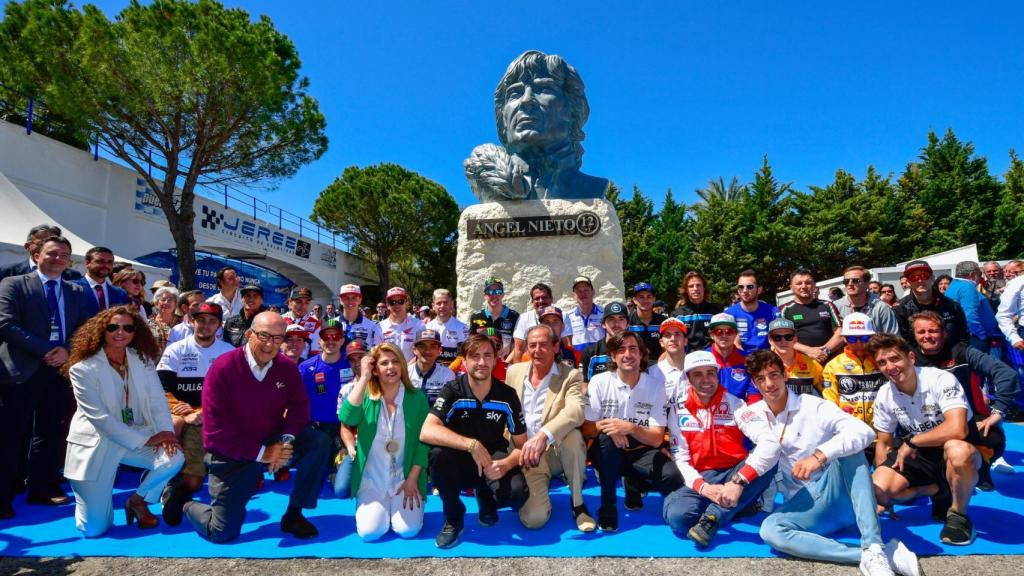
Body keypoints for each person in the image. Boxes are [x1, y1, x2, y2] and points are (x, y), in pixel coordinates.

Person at [745, 350, 919, 576]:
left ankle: (873, 544)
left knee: (850, 448)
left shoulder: (814, 406)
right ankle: (877, 555)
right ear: (753, 383)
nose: (769, 384)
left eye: (774, 375)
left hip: (838, 494)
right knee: (770, 531)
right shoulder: (750, 414)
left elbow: (863, 431)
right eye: (760, 378)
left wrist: (819, 456)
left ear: (786, 374)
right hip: (805, 507)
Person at [178, 312, 330, 542]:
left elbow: (300, 407)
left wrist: (285, 443)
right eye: (264, 335)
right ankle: (184, 502)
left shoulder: (286, 368)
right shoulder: (223, 369)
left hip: (270, 436)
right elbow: (215, 435)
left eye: (278, 338)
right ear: (249, 334)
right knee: (222, 532)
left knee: (318, 441)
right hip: (233, 451)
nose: (270, 344)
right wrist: (265, 454)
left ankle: (294, 513)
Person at [61, 306, 184, 536]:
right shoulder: (82, 369)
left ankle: (137, 501)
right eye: (113, 327)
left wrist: (166, 433)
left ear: (135, 331)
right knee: (94, 529)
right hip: (97, 445)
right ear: (101, 330)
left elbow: (158, 401)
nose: (121, 332)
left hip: (136, 434)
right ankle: (90, 502)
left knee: (173, 457)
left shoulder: (143, 361)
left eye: (128, 327)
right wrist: (148, 439)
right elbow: (99, 419)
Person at [0, 236, 88, 519]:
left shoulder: (75, 290)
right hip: (22, 371)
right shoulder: (13, 284)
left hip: (59, 371)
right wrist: (46, 349)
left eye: (65, 254)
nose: (59, 258)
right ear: (36, 255)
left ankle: (42, 487)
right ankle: (4, 494)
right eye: (52, 253)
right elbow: (5, 323)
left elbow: (85, 328)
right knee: (11, 435)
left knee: (51, 433)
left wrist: (66, 351)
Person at [868, 334, 982, 546]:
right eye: (882, 362)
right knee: (878, 491)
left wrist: (911, 441)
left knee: (957, 450)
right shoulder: (884, 393)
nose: (890, 367)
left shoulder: (940, 379)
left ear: (911, 357)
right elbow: (883, 443)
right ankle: (938, 489)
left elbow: (957, 429)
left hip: (959, 448)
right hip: (921, 453)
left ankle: (959, 516)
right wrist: (882, 496)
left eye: (895, 359)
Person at [420, 333, 528, 549]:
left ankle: (486, 498)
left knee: (517, 494)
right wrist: (471, 444)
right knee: (437, 455)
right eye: (474, 356)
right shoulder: (452, 390)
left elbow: (522, 445)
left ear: (496, 359)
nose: (481, 362)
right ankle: (453, 516)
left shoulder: (507, 394)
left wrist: (506, 464)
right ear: (464, 361)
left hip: (492, 461)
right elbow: (427, 431)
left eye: (487, 355)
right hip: (459, 461)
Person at [662, 351, 778, 546]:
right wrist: (703, 487)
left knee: (770, 459)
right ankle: (736, 504)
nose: (706, 379)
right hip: (699, 475)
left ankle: (713, 517)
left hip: (734, 473)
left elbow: (770, 442)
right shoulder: (677, 409)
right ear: (688, 379)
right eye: (697, 374)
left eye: (710, 373)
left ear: (718, 375)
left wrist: (739, 482)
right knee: (679, 520)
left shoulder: (736, 404)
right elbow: (680, 458)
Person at [466, 50, 607, 202]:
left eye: (544, 89)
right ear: (503, 120)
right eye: (515, 93)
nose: (526, 100)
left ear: (573, 110)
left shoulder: (591, 189)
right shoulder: (489, 180)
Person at [584, 331, 682, 531]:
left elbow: (656, 438)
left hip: (642, 448)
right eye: (621, 350)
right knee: (605, 442)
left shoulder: (655, 385)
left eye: (633, 349)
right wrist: (609, 426)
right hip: (609, 448)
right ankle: (608, 506)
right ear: (612, 356)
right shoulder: (599, 381)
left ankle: (634, 483)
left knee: (672, 477)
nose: (627, 354)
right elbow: (587, 429)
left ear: (642, 355)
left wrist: (630, 427)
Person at [910, 311, 1016, 490]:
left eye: (933, 331)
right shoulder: (908, 358)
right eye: (921, 332)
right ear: (914, 335)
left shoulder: (962, 353)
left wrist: (998, 412)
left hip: (964, 421)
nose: (927, 336)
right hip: (926, 423)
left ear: (944, 333)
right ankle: (940, 475)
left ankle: (980, 468)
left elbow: (1006, 373)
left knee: (993, 437)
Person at [338, 342, 429, 541]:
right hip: (372, 480)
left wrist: (413, 478)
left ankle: (400, 506)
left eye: (396, 361)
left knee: (408, 531)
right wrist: (363, 379)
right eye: (384, 363)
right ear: (375, 369)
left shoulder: (417, 399)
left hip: (405, 479)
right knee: (370, 533)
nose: (391, 367)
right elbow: (347, 418)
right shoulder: (365, 397)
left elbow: (425, 443)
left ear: (402, 366)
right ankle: (376, 506)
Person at [507, 324, 594, 532]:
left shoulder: (570, 375)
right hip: (527, 455)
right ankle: (537, 487)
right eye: (532, 345)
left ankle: (578, 504)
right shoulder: (513, 372)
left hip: (555, 449)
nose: (537, 350)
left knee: (573, 436)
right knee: (533, 520)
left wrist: (544, 436)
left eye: (544, 345)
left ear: (556, 347)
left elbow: (576, 412)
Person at [156, 302, 234, 522]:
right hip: (182, 414)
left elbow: (234, 393)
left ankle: (180, 482)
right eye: (201, 320)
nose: (205, 326)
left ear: (219, 325)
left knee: (193, 483)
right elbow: (161, 388)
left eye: (211, 321)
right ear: (191, 321)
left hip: (210, 417)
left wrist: (202, 411)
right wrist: (182, 410)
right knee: (173, 423)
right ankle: (163, 476)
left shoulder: (228, 352)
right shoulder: (175, 349)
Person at [821, 314, 885, 458]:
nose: (858, 343)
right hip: (850, 435)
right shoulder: (833, 365)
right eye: (851, 338)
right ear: (843, 339)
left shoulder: (883, 361)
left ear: (873, 337)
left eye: (864, 338)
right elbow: (829, 404)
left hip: (881, 435)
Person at [893, 260, 969, 346]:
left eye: (924, 275)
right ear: (908, 282)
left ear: (932, 278)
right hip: (918, 358)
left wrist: (956, 356)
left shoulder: (952, 305)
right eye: (913, 277)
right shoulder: (900, 309)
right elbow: (904, 343)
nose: (920, 280)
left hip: (951, 356)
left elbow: (963, 338)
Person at [779, 269, 844, 364]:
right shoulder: (784, 310)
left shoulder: (827, 305)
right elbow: (781, 339)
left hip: (831, 361)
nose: (804, 286)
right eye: (799, 283)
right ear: (791, 287)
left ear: (814, 286)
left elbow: (840, 331)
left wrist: (825, 351)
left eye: (808, 283)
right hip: (800, 364)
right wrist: (808, 351)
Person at [944, 261, 1001, 353]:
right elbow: (970, 315)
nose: (981, 277)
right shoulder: (967, 287)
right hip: (974, 338)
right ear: (972, 274)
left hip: (965, 336)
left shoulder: (954, 285)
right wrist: (981, 336)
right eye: (980, 273)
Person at [511, 283, 572, 361]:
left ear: (551, 299)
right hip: (531, 360)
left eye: (544, 297)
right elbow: (518, 348)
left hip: (558, 359)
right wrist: (518, 370)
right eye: (537, 298)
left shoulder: (562, 315)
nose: (541, 301)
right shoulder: (524, 318)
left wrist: (569, 366)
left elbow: (568, 344)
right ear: (532, 301)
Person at [707, 313, 760, 402]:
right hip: (708, 411)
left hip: (740, 412)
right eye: (718, 332)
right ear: (711, 335)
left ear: (736, 334)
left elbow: (754, 393)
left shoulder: (747, 359)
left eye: (729, 331)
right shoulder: (702, 359)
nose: (724, 335)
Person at [0, 224, 82, 281]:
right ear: (27, 246)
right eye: (41, 243)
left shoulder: (73, 276)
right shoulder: (7, 272)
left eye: (52, 244)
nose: (47, 247)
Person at [833, 266, 899, 336]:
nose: (850, 284)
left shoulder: (881, 307)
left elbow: (893, 338)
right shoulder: (835, 306)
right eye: (846, 281)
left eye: (855, 280)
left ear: (867, 284)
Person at [725, 269, 780, 352]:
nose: (744, 290)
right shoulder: (729, 314)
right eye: (741, 287)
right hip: (740, 359)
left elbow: (781, 339)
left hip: (766, 359)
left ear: (759, 290)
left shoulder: (772, 312)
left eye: (749, 287)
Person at [767, 318, 824, 397]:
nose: (783, 341)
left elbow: (826, 391)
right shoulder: (764, 365)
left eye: (788, 337)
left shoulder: (812, 364)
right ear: (770, 340)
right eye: (777, 337)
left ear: (795, 339)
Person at [670, 271, 723, 353]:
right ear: (686, 290)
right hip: (687, 358)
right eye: (691, 286)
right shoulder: (677, 315)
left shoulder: (716, 311)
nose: (695, 289)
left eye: (698, 285)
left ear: (704, 288)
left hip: (712, 356)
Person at [468, 277, 520, 360]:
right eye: (490, 291)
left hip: (506, 363)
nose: (494, 295)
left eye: (498, 291)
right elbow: (471, 344)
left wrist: (506, 362)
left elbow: (518, 345)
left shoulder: (514, 316)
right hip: (483, 364)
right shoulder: (476, 317)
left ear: (503, 295)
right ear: (485, 295)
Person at [580, 301, 629, 383]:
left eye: (621, 319)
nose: (616, 324)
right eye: (611, 319)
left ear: (627, 324)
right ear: (603, 324)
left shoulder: (635, 350)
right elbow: (584, 384)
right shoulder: (590, 353)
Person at [407, 328, 456, 406]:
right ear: (414, 350)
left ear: (440, 350)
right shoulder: (405, 373)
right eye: (422, 346)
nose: (428, 351)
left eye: (433, 346)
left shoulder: (448, 375)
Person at [77, 247, 130, 318]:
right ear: (87, 263)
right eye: (100, 261)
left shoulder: (120, 293)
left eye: (110, 262)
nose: (106, 265)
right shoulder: (72, 288)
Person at [424, 288, 469, 366]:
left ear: (452, 304)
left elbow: (462, 355)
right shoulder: (427, 328)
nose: (442, 306)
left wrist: (449, 371)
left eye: (445, 302)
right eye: (438, 303)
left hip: (454, 373)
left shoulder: (462, 328)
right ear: (433, 306)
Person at [379, 286, 425, 362]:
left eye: (401, 301)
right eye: (392, 302)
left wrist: (406, 369)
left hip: (411, 371)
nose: (397, 305)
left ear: (407, 303)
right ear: (387, 305)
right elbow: (378, 355)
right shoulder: (379, 327)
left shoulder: (419, 325)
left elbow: (422, 352)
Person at [627, 282, 667, 363]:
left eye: (649, 296)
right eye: (641, 297)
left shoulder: (663, 321)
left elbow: (667, 348)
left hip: (659, 365)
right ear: (634, 300)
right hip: (634, 366)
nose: (645, 300)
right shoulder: (627, 322)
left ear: (654, 299)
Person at [564, 275, 605, 353]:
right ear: (574, 295)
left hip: (600, 358)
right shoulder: (568, 317)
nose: (583, 293)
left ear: (593, 292)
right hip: (578, 360)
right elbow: (567, 342)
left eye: (586, 290)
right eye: (579, 291)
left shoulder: (604, 313)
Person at [336, 284, 382, 348]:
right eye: (346, 298)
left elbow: (375, 352)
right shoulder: (332, 323)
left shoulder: (372, 326)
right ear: (340, 300)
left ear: (360, 300)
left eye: (354, 298)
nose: (350, 301)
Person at [656, 317, 689, 404]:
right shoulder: (653, 373)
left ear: (685, 341)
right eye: (667, 335)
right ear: (661, 342)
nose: (673, 339)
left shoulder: (697, 368)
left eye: (677, 334)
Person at [283, 286, 322, 355]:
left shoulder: (315, 324)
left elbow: (316, 353)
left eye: (306, 303)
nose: (303, 306)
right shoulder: (279, 321)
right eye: (299, 302)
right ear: (290, 302)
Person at [147, 285, 179, 353]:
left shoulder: (182, 324)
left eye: (170, 300)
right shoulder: (148, 324)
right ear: (156, 303)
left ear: (175, 304)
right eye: (163, 300)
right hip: (155, 363)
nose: (166, 302)